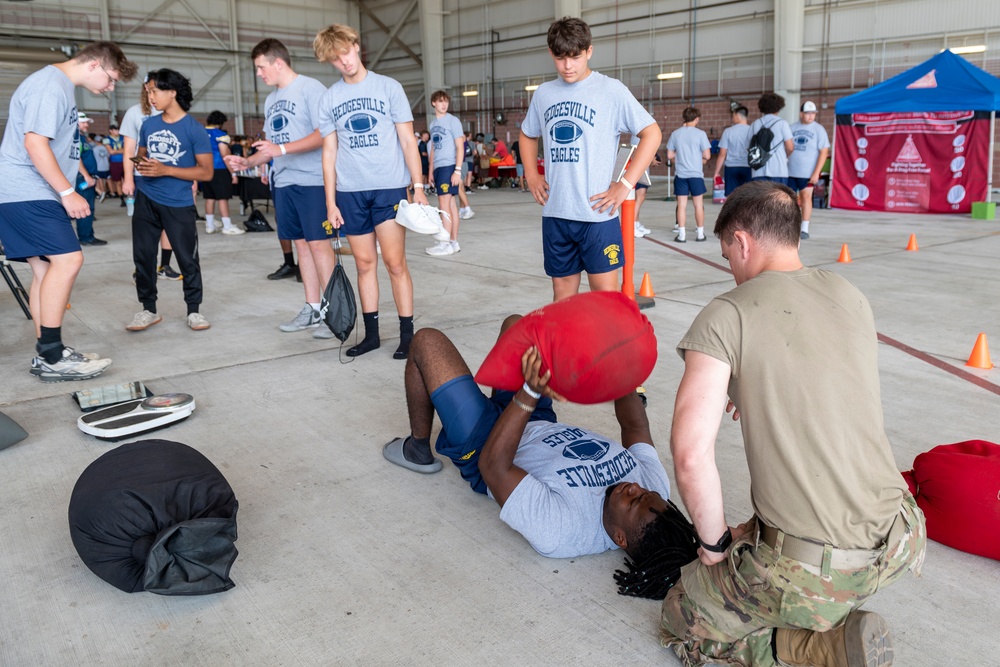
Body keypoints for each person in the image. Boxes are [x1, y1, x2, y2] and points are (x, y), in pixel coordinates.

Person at [659, 181, 926, 667]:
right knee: (761, 525)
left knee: (683, 612)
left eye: (727, 256)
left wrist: (715, 547)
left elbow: (690, 456)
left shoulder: (727, 314)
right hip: (898, 537)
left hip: (824, 569)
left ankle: (809, 645)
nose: (732, 271)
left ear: (741, 242)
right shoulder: (849, 294)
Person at [383, 317, 681, 561]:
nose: (634, 487)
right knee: (517, 327)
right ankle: (493, 397)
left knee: (426, 341)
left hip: (485, 445)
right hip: (536, 420)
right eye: (643, 491)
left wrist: (529, 392)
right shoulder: (656, 493)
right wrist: (620, 372)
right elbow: (635, 429)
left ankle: (417, 448)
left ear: (620, 538)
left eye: (633, 501)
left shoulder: (562, 531)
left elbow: (494, 467)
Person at [0, 41, 136, 381]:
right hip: (28, 190)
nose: (110, 87)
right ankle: (51, 354)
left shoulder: (57, 86)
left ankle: (48, 351)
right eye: (111, 79)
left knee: (45, 269)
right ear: (94, 65)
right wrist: (67, 192)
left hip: (23, 191)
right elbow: (34, 143)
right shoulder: (50, 85)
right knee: (69, 260)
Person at [521, 17, 661, 302]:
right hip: (557, 213)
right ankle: (567, 349)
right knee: (562, 297)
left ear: (589, 52)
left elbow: (652, 133)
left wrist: (624, 184)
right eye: (560, 58)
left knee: (605, 297)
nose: (568, 66)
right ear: (551, 54)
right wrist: (532, 175)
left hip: (597, 214)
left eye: (575, 56)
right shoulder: (544, 94)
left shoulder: (611, 91)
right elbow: (527, 135)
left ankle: (603, 348)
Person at [314, 23, 427, 359]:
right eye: (335, 59)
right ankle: (372, 335)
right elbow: (329, 153)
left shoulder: (388, 88)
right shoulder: (329, 98)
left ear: (356, 46)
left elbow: (408, 140)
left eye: (345, 53)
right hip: (350, 192)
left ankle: (408, 335)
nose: (343, 62)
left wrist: (418, 187)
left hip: (389, 188)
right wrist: (331, 203)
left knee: (395, 263)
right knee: (364, 264)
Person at [225, 38, 338, 339]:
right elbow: (271, 148)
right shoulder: (271, 100)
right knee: (301, 245)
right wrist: (246, 161)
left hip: (313, 180)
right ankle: (312, 308)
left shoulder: (311, 89)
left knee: (319, 245)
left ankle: (334, 313)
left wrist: (283, 149)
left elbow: (325, 134)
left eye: (261, 67)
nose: (259, 74)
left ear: (278, 62)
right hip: (285, 181)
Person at [126, 68, 213, 333]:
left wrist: (166, 169)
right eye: (148, 91)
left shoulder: (194, 130)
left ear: (172, 92)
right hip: (146, 198)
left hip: (178, 203)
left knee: (187, 259)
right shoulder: (148, 125)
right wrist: (141, 167)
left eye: (154, 91)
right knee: (142, 256)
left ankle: (194, 311)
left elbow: (206, 172)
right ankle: (148, 309)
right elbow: (141, 156)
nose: (150, 96)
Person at [121, 74, 181, 280]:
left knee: (169, 224)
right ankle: (143, 268)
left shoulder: (173, 113)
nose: (151, 92)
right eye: (149, 88)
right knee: (145, 227)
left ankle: (165, 265)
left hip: (170, 176)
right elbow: (129, 148)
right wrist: (128, 178)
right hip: (143, 178)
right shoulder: (134, 113)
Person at [425, 90, 465, 257]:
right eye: (440, 101)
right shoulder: (433, 125)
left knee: (444, 204)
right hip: (439, 168)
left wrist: (457, 170)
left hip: (449, 165)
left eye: (446, 101)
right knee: (451, 206)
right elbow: (433, 149)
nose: (443, 104)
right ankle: (453, 242)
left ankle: (445, 242)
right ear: (433, 103)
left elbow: (460, 146)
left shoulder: (453, 121)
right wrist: (430, 170)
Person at [667, 107, 711, 243]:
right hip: (696, 175)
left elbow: (669, 155)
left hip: (681, 174)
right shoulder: (701, 134)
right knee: (698, 205)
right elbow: (707, 155)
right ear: (696, 118)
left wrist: (679, 155)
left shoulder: (675, 134)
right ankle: (700, 234)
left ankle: (681, 235)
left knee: (682, 205)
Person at [787, 101, 830, 240]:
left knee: (806, 198)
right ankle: (789, 226)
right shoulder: (791, 127)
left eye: (813, 113)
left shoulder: (819, 129)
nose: (811, 116)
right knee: (789, 200)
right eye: (807, 113)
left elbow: (824, 152)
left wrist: (816, 172)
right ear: (801, 114)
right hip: (790, 172)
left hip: (807, 173)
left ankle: (804, 228)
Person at [201, 110, 243, 235]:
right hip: (220, 168)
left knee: (209, 197)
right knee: (222, 198)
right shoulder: (220, 134)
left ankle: (210, 225)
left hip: (205, 168)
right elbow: (225, 154)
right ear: (220, 123)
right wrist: (233, 173)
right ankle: (227, 225)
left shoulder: (200, 133)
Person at [748, 92, 793, 185]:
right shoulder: (782, 123)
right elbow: (790, 147)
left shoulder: (754, 124)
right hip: (779, 170)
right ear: (779, 107)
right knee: (779, 199)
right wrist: (785, 156)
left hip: (758, 171)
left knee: (760, 199)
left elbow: (748, 147)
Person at [73, 114, 104, 246]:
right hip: (82, 178)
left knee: (87, 208)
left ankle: (87, 235)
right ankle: (86, 237)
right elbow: (76, 157)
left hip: (86, 177)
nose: (87, 125)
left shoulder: (81, 137)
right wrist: (86, 175)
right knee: (86, 207)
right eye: (83, 122)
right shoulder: (74, 137)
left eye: (87, 123)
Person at [713, 105, 753, 197]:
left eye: (733, 116)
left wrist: (716, 172)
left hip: (731, 167)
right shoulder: (752, 130)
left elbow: (722, 154)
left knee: (731, 197)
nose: (732, 118)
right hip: (748, 167)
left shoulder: (728, 131)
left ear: (738, 116)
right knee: (748, 196)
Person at [105, 124, 125, 202]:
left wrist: (115, 151)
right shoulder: (106, 139)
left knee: (127, 179)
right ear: (111, 131)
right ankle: (122, 198)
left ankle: (129, 196)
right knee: (117, 181)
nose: (118, 132)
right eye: (116, 130)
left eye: (118, 130)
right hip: (115, 162)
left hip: (124, 161)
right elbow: (110, 151)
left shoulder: (123, 137)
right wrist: (121, 151)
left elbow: (127, 149)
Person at [90, 133, 111, 202]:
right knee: (107, 179)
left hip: (99, 166)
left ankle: (102, 192)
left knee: (100, 179)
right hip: (106, 165)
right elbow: (108, 156)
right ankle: (112, 192)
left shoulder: (94, 149)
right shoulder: (105, 148)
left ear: (96, 141)